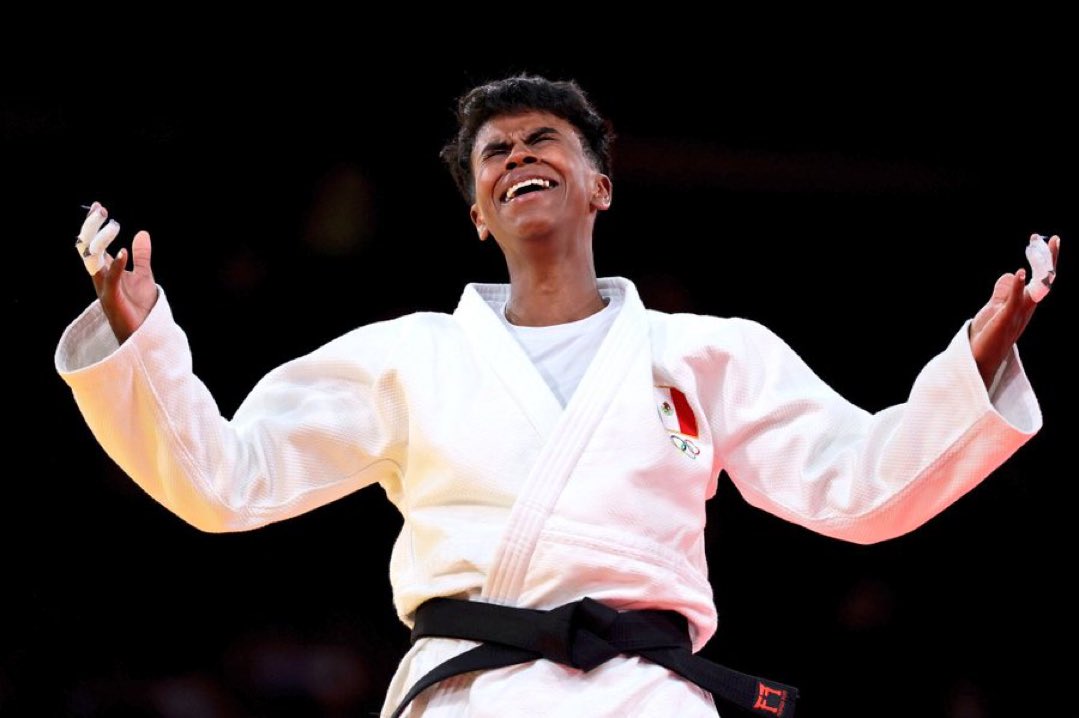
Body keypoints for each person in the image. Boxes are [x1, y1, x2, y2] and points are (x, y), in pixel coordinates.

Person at [55, 75, 1058, 717]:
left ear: (599, 186)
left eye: (543, 141)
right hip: (466, 695)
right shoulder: (410, 357)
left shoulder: (701, 353)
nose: (518, 156)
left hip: (647, 698)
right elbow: (228, 480)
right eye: (495, 153)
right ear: (477, 214)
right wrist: (145, 343)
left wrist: (971, 364)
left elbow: (859, 487)